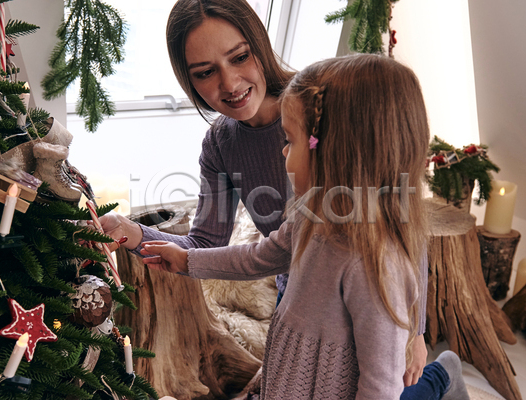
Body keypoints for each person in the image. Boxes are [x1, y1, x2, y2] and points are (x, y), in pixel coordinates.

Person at [101, 0, 428, 389]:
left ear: (259, 44)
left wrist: (416, 328)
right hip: (297, 293)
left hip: (364, 293)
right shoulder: (221, 144)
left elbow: (399, 219)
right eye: (206, 73)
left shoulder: (322, 104)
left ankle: (440, 378)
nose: (230, 84)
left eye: (239, 57)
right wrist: (137, 235)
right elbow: (211, 243)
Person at [137, 54, 469, 400]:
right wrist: (185, 260)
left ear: (333, 153)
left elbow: (381, 386)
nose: (282, 152)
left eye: (291, 141)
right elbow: (256, 258)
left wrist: (416, 335)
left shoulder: (374, 266)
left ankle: (443, 374)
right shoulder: (310, 219)